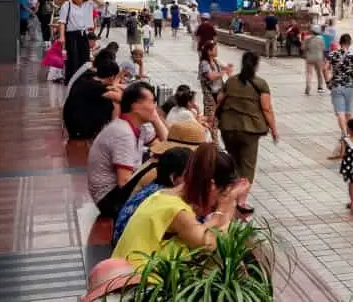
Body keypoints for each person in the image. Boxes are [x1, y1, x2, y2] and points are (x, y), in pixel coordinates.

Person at [111, 143, 250, 271]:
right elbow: (211, 244)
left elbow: (200, 230)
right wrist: (226, 206)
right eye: (215, 203)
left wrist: (219, 212)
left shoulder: (164, 195)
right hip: (138, 285)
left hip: (127, 274)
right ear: (211, 186)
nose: (212, 208)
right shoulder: (177, 211)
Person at [214, 51, 277, 216]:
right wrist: (274, 129)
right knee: (247, 165)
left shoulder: (231, 81)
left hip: (228, 127)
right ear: (256, 65)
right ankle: (241, 200)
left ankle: (228, 194)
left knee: (233, 162)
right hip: (250, 130)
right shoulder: (260, 84)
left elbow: (220, 98)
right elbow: (266, 108)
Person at [87, 82, 162, 218]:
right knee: (161, 173)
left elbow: (166, 145)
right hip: (109, 199)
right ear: (136, 106)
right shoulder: (124, 133)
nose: (154, 108)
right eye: (152, 102)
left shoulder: (138, 126)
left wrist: (155, 119)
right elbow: (124, 182)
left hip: (114, 192)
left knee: (162, 161)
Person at [110, 146, 192, 247]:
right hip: (132, 254)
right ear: (173, 177)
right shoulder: (166, 198)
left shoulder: (154, 186)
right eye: (189, 175)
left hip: (121, 246)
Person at [64, 56, 123, 140]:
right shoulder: (96, 87)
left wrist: (117, 85)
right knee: (115, 103)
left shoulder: (89, 77)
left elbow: (110, 89)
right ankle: (114, 134)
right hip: (79, 128)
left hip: (72, 122)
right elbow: (119, 97)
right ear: (111, 77)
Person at [57, 0, 105, 81]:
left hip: (83, 34)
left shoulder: (88, 4)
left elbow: (102, 4)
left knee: (84, 58)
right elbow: (62, 22)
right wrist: (62, 37)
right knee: (73, 58)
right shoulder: (67, 5)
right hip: (71, 35)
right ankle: (71, 81)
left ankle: (83, 79)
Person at [325, 35, 353, 158]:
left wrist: (328, 82)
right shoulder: (352, 55)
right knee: (349, 114)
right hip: (351, 87)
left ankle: (345, 135)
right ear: (349, 44)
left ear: (340, 43)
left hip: (337, 86)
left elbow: (325, 68)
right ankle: (350, 138)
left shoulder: (332, 54)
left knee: (340, 113)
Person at [198, 39, 230, 126]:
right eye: (215, 49)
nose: (217, 51)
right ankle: (209, 138)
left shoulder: (215, 61)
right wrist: (223, 72)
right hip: (210, 96)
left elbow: (227, 68)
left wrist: (227, 69)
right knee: (209, 121)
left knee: (216, 122)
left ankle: (214, 139)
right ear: (209, 51)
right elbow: (211, 76)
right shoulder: (204, 63)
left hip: (218, 95)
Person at [303, 26, 326, 94]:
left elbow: (303, 47)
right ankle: (320, 87)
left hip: (309, 57)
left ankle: (308, 86)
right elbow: (323, 48)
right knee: (319, 73)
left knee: (309, 73)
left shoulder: (307, 38)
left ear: (311, 31)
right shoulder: (321, 39)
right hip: (319, 58)